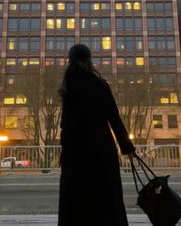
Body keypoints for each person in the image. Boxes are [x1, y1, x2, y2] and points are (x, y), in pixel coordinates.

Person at [58, 43, 135, 226]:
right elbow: (114, 118)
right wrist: (128, 148)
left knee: (76, 205)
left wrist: (65, 151)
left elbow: (66, 125)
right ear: (89, 60)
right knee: (107, 202)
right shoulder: (100, 85)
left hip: (76, 154)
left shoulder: (69, 87)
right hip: (102, 151)